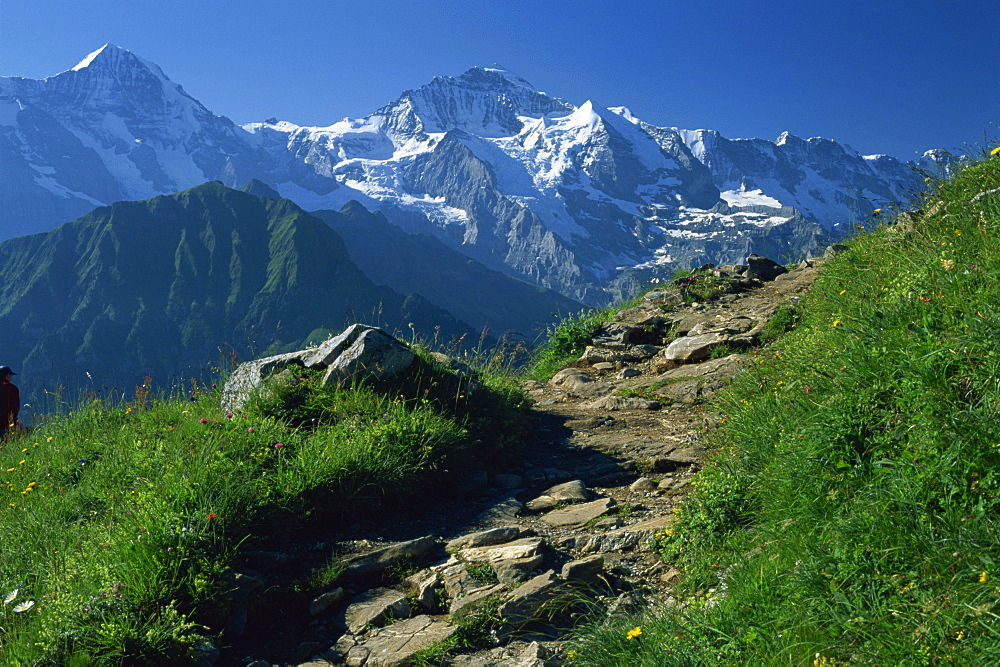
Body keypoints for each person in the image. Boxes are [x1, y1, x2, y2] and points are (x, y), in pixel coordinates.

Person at [0, 366, 19, 437]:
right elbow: (15, 408)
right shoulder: (12, 389)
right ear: (7, 375)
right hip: (7, 423)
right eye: (10, 375)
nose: (11, 377)